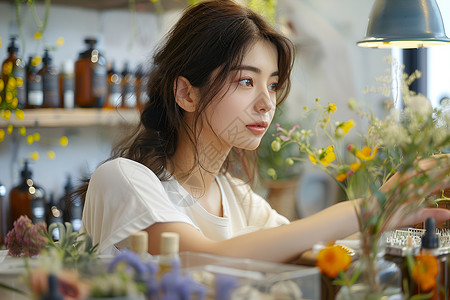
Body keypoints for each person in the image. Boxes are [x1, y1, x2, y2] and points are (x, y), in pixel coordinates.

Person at [79, 0, 450, 262]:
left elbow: (308, 248)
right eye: (245, 81)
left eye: (272, 85)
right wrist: (372, 206)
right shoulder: (123, 180)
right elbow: (208, 259)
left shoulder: (237, 196)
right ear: (186, 93)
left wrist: (396, 219)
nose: (266, 103)